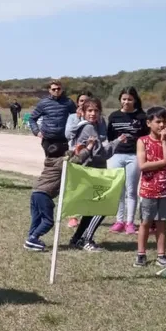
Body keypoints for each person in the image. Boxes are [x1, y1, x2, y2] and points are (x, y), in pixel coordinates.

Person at [24, 135, 90, 252]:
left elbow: (66, 157)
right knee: (48, 221)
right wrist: (88, 149)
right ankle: (33, 239)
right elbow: (77, 161)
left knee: (36, 218)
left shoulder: (50, 160)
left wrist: (74, 150)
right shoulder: (61, 163)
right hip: (45, 194)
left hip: (35, 193)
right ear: (61, 154)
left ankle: (31, 239)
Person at [134, 107, 166, 267]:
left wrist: (164, 142)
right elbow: (143, 165)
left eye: (164, 122)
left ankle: (161, 254)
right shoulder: (142, 141)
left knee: (162, 222)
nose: (162, 125)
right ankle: (141, 253)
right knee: (146, 221)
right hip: (148, 189)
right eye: (158, 121)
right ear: (148, 123)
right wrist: (163, 163)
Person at [68, 98, 113, 251]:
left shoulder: (91, 127)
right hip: (91, 172)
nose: (93, 114)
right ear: (83, 112)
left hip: (90, 171)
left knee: (91, 208)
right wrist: (118, 142)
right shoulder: (89, 129)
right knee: (102, 207)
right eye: (90, 111)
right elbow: (101, 154)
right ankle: (86, 240)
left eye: (96, 111)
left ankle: (76, 239)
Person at [107, 87, 148, 235]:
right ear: (120, 100)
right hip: (116, 156)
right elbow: (109, 137)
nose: (126, 102)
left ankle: (130, 222)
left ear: (135, 100)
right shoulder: (114, 116)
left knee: (131, 190)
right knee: (118, 190)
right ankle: (119, 221)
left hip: (134, 156)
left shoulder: (142, 117)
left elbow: (146, 137)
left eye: (129, 99)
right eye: (124, 99)